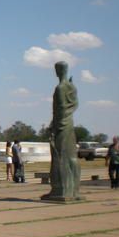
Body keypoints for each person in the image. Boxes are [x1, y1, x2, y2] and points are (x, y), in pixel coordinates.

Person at [42, 61, 81, 201]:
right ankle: (74, 190)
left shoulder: (60, 88)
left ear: (58, 70)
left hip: (61, 124)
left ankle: (61, 189)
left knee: (60, 156)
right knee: (72, 156)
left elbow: (60, 109)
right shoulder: (71, 86)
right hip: (69, 123)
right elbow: (74, 104)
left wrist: (53, 126)